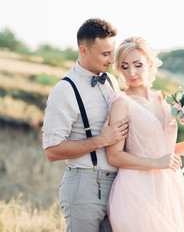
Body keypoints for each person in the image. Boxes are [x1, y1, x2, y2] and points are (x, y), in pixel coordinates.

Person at [106, 37, 184, 232]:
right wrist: (157, 163)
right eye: (124, 67)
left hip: (169, 187)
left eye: (137, 65)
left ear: (150, 65)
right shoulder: (121, 103)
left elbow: (164, 152)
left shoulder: (164, 100)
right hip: (137, 189)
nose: (131, 73)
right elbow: (113, 155)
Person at [42, 18, 129, 232]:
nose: (112, 59)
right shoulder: (65, 90)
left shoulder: (110, 80)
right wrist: (101, 140)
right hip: (85, 185)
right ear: (84, 50)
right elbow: (52, 151)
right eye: (105, 53)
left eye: (113, 52)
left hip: (117, 185)